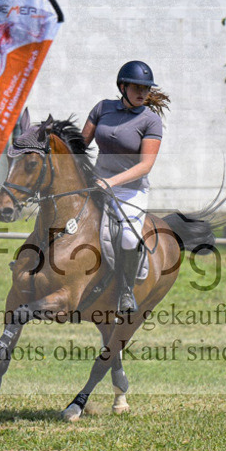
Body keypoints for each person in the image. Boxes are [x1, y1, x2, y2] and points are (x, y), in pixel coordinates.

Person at [81, 60, 170, 314]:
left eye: (146, 88)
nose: (143, 92)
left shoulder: (150, 121)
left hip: (131, 190)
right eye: (137, 87)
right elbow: (81, 146)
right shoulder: (102, 108)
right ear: (123, 86)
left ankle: (126, 291)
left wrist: (112, 182)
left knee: (130, 237)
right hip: (97, 184)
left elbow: (145, 166)